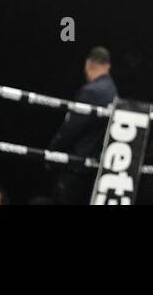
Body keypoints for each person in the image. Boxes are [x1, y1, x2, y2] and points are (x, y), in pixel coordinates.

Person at [47, 46, 118, 204]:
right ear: (108, 66)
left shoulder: (91, 91)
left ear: (88, 64)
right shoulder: (113, 92)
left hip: (76, 166)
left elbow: (71, 128)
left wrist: (52, 152)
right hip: (95, 168)